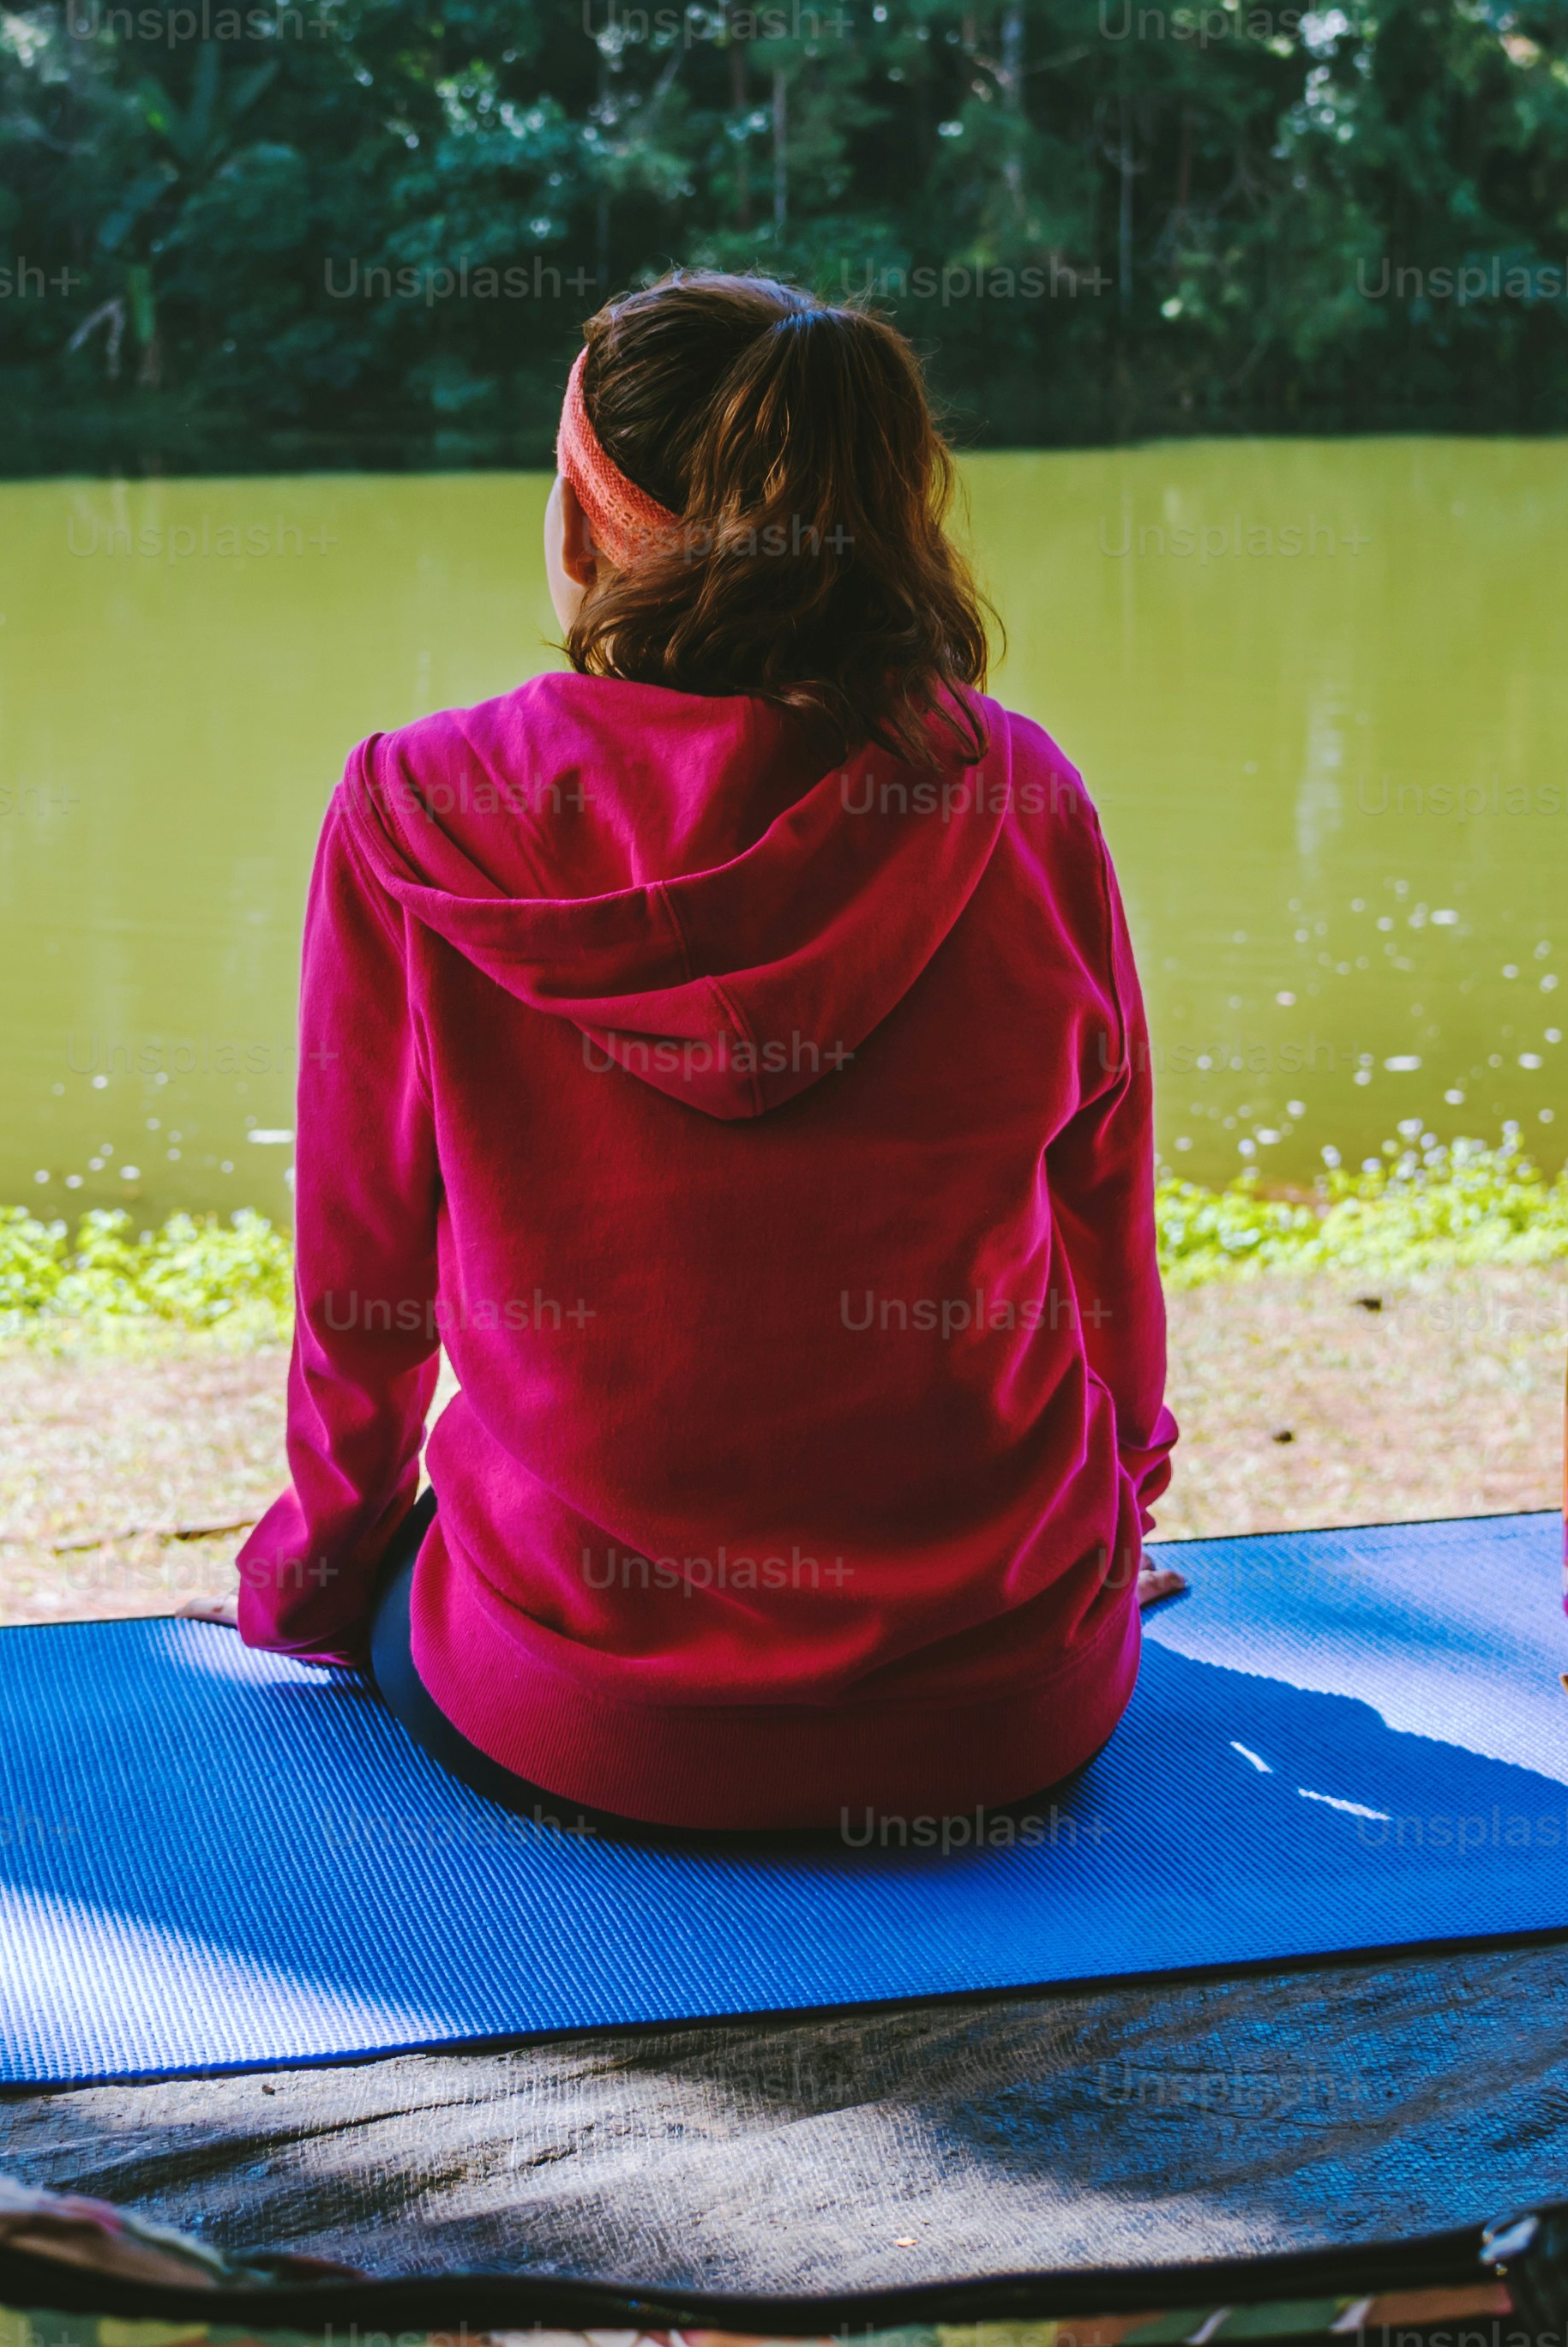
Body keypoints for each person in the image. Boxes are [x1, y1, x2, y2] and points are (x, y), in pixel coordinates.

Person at [213, 270, 1174, 1839]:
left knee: (413, 1568)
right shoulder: (1022, 797)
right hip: (1003, 1706)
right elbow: (1102, 1202)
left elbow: (363, 1273)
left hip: (586, 1718)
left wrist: (316, 1573)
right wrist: (1118, 1504)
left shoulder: (417, 809)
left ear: (589, 521)